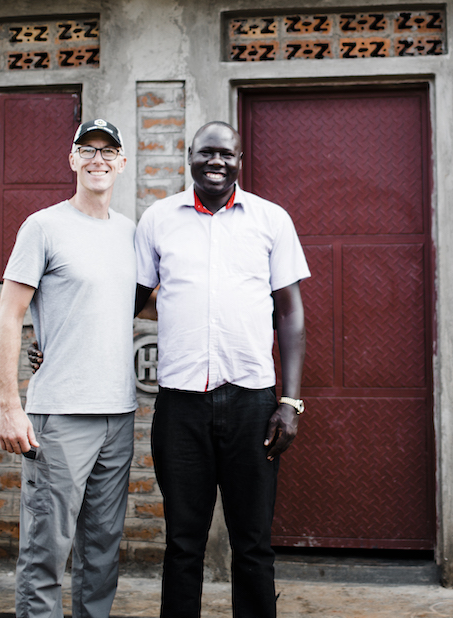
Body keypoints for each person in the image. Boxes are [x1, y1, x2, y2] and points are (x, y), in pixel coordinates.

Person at [134, 120, 309, 618]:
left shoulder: (270, 219)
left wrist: (290, 403)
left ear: (239, 161)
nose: (217, 162)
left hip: (253, 403)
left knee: (253, 544)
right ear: (189, 157)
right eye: (206, 153)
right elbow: (129, 300)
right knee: (182, 544)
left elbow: (291, 312)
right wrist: (56, 339)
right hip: (180, 406)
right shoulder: (158, 219)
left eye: (227, 155)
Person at [0, 118, 137, 618]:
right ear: (72, 159)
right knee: (46, 552)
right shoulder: (43, 226)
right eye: (87, 149)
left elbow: (147, 303)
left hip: (119, 415)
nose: (98, 159)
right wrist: (10, 407)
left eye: (108, 151)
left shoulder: (130, 234)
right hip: (59, 417)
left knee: (102, 554)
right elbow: (10, 317)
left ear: (122, 162)